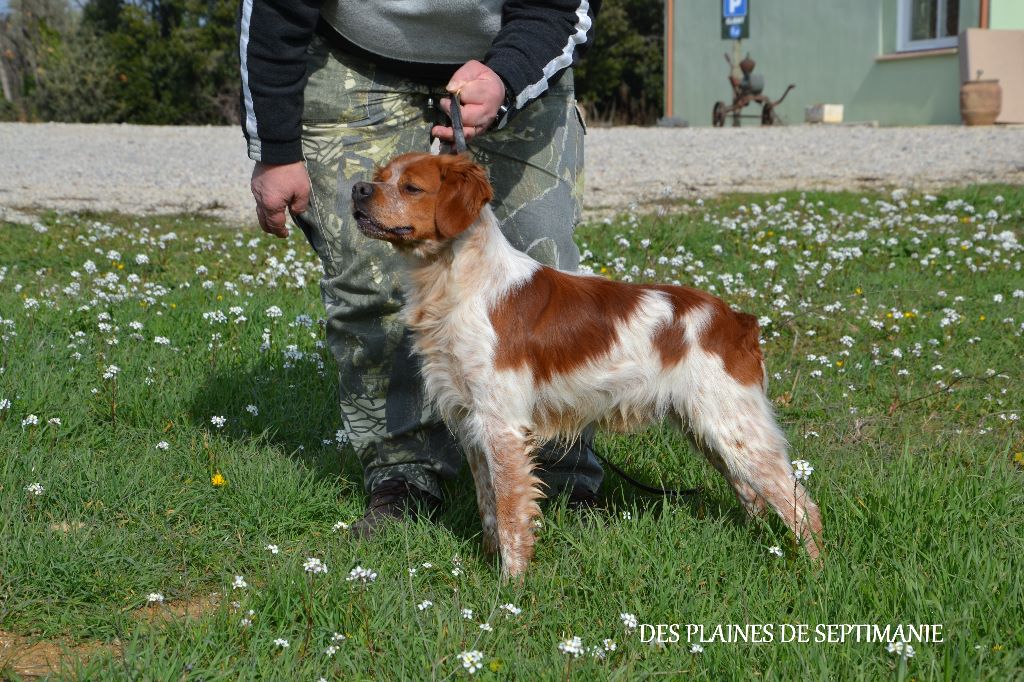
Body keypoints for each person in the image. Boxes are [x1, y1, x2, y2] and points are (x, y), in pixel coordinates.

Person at [239, 0, 604, 536]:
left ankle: (560, 473)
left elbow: (557, 7)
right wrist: (276, 149)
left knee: (542, 269)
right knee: (369, 282)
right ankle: (403, 474)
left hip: (514, 50)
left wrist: (506, 75)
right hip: (353, 62)